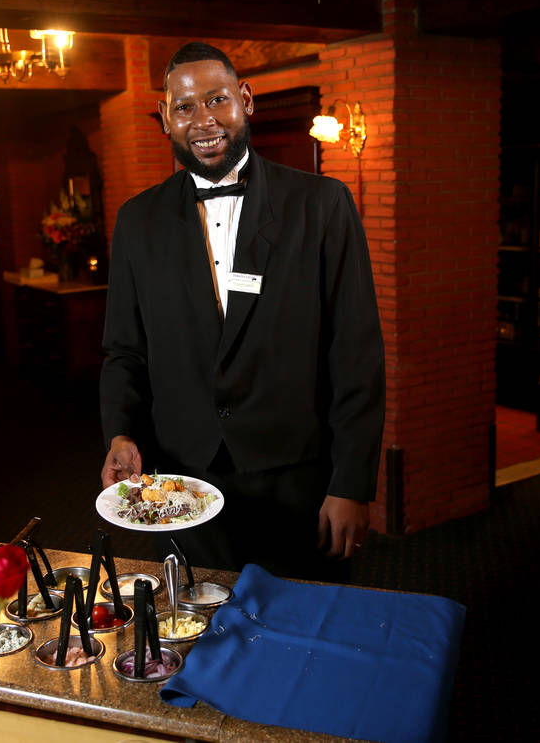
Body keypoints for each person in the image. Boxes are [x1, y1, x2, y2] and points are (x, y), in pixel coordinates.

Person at [100, 42, 384, 581]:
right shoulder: (137, 221)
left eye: (217, 100)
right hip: (185, 480)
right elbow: (124, 350)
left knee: (304, 633)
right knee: (203, 634)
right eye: (184, 107)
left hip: (299, 479)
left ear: (245, 100)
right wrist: (120, 431)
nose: (203, 120)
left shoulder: (323, 205)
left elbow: (357, 356)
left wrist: (351, 483)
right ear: (165, 119)